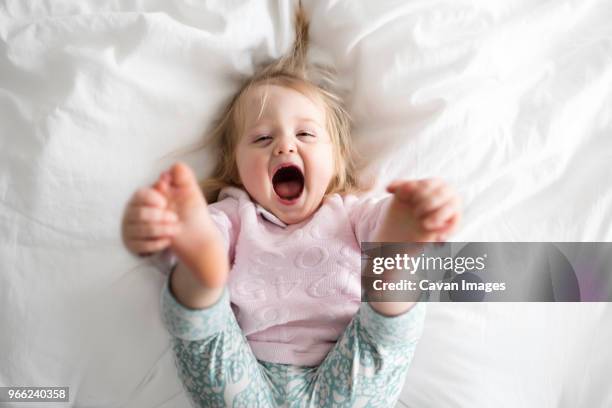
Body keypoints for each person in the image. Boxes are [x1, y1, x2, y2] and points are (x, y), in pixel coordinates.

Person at [121, 4, 461, 407]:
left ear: (336, 159)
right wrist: (179, 236)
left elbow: (376, 227)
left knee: (386, 327)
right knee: (204, 332)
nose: (285, 144)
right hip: (246, 367)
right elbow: (209, 232)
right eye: (262, 139)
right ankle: (202, 274)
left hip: (344, 362)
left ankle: (397, 258)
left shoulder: (350, 212)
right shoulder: (234, 215)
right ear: (235, 167)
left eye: (305, 133)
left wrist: (404, 223)